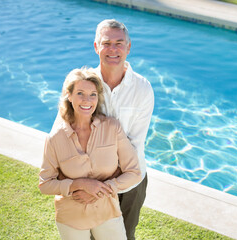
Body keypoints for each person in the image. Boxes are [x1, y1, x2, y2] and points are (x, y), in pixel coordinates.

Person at [52, 19, 154, 240]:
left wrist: (101, 187)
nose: (113, 49)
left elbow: (135, 144)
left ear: (128, 47)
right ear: (96, 46)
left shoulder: (143, 89)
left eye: (119, 43)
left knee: (124, 235)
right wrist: (80, 185)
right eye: (106, 43)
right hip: (85, 180)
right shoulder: (82, 84)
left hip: (129, 184)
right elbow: (60, 133)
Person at [39, 68, 142, 240]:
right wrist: (79, 184)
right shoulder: (54, 139)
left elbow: (134, 172)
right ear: (69, 96)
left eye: (92, 94)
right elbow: (45, 184)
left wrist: (98, 190)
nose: (87, 100)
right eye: (80, 93)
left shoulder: (112, 128)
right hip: (71, 218)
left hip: (108, 214)